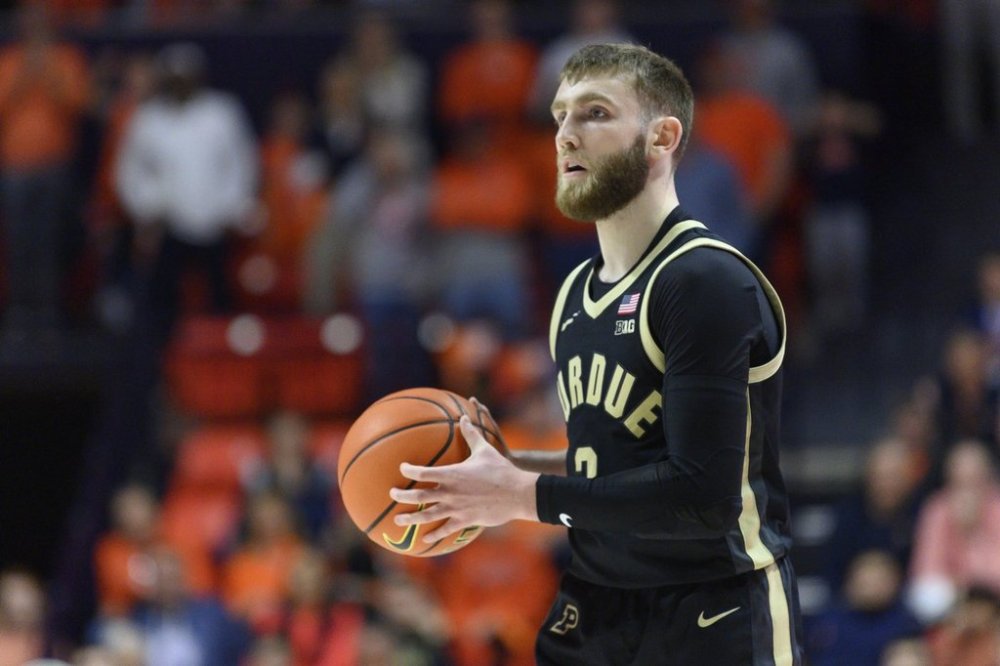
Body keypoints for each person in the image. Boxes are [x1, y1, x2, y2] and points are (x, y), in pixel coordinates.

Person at [391, 43, 803, 664]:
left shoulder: (703, 281)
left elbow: (702, 495)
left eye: (595, 113)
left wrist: (522, 496)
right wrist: (505, 467)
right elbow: (614, 462)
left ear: (662, 137)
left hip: (712, 612)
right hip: (597, 607)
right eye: (560, 115)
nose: (565, 135)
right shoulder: (574, 295)